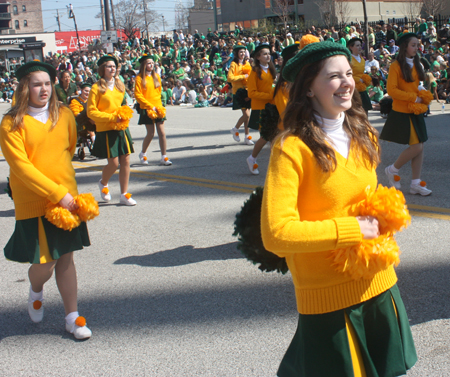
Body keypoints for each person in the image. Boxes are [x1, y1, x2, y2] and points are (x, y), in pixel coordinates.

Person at [261, 41, 417, 377]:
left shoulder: (363, 133)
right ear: (310, 88)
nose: (347, 82)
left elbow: (364, 200)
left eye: (348, 73)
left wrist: (385, 214)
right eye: (334, 76)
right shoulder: (291, 149)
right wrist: (349, 230)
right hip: (328, 300)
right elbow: (276, 233)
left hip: (379, 283)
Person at [0, 61, 92, 340]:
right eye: (37, 84)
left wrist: (68, 194)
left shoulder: (64, 114)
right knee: (45, 264)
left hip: (68, 199)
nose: (44, 89)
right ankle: (36, 288)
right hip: (35, 200)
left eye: (48, 83)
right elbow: (21, 167)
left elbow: (69, 147)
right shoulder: (10, 122)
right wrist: (56, 194)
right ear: (24, 87)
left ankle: (72, 317)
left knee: (65, 260)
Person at [380, 33, 432, 196]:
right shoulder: (396, 65)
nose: (417, 48)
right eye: (414, 45)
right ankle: (392, 169)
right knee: (417, 146)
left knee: (420, 146)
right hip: (403, 110)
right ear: (404, 47)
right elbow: (391, 90)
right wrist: (413, 97)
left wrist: (423, 94)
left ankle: (415, 183)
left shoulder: (418, 63)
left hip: (416, 108)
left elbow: (418, 85)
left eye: (418, 45)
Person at [87, 55, 137, 206]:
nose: (112, 68)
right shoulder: (96, 88)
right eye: (109, 66)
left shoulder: (119, 85)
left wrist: (126, 110)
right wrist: (111, 117)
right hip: (107, 128)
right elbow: (91, 112)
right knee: (113, 164)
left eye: (114, 66)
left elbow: (123, 103)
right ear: (102, 69)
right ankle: (103, 182)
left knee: (126, 161)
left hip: (121, 127)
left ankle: (124, 194)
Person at [134, 54, 172, 166]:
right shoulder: (139, 78)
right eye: (149, 63)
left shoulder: (156, 77)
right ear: (144, 65)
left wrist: (159, 105)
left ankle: (164, 157)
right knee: (150, 133)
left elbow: (159, 92)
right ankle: (142, 153)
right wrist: (150, 105)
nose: (151, 65)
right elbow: (138, 95)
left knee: (162, 133)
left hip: (158, 107)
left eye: (152, 63)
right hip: (147, 108)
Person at [245, 44, 276, 175]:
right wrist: (269, 95)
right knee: (265, 136)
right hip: (260, 108)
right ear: (258, 57)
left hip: (272, 106)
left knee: (275, 136)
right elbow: (251, 93)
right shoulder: (254, 72)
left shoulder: (271, 69)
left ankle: (276, 164)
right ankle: (252, 158)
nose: (268, 56)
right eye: (264, 54)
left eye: (269, 53)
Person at [228, 45, 254, 145]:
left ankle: (247, 137)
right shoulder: (233, 64)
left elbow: (250, 76)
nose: (243, 54)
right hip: (238, 92)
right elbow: (230, 78)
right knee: (247, 115)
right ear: (236, 53)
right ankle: (235, 129)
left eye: (244, 52)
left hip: (247, 91)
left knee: (247, 117)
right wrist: (243, 76)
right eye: (240, 52)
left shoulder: (246, 63)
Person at [347, 38, 373, 112]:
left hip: (362, 87)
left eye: (360, 45)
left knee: (365, 109)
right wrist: (357, 79)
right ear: (351, 47)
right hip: (352, 88)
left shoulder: (362, 59)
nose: (360, 47)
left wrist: (365, 78)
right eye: (357, 45)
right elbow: (346, 74)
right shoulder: (349, 59)